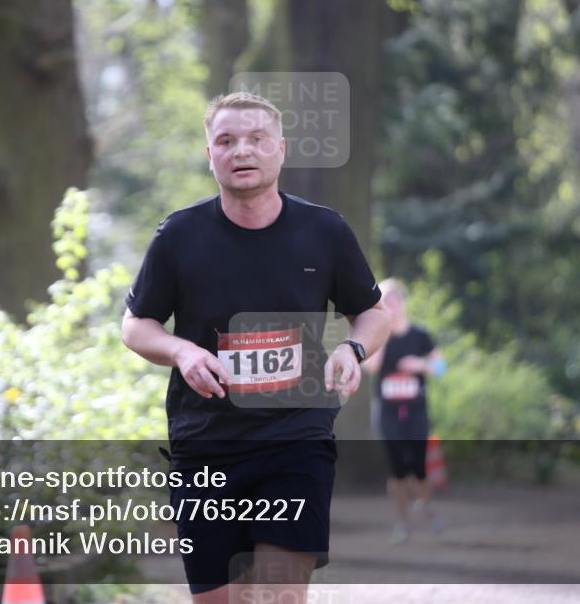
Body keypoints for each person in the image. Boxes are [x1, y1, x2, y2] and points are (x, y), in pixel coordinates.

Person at [121, 91, 390, 603]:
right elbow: (136, 325)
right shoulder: (180, 235)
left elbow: (373, 314)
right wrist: (181, 351)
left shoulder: (324, 231)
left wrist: (351, 350)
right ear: (210, 155)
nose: (242, 150)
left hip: (296, 440)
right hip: (206, 445)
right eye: (226, 141)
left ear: (281, 149)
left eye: (256, 139)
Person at [362, 278, 446, 544]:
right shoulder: (377, 336)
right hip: (387, 412)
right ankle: (402, 523)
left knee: (419, 467)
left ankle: (427, 507)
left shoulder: (420, 335)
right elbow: (371, 368)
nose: (391, 305)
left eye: (394, 299)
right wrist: (383, 332)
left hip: (416, 411)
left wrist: (419, 365)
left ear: (403, 302)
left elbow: (441, 367)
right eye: (385, 301)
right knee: (397, 470)